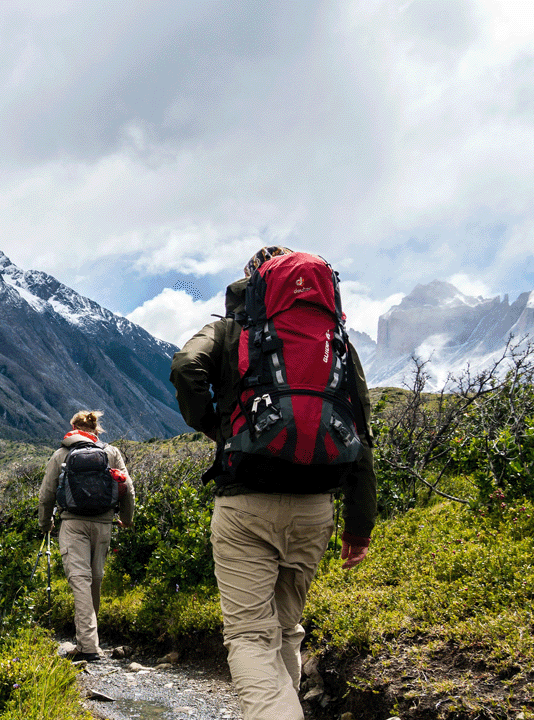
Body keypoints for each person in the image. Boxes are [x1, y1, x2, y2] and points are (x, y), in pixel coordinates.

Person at [169, 246, 377, 720]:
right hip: (316, 508)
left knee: (248, 635)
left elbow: (185, 368)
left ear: (254, 282)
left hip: (246, 504)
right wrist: (359, 526)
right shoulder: (336, 340)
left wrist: (218, 427)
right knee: (286, 627)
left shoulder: (230, 329)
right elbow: (360, 433)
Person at [38, 410, 135, 662]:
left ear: (72, 428)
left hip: (73, 524)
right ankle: (90, 640)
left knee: (80, 580)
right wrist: (126, 518)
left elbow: (46, 494)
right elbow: (129, 488)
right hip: (103, 524)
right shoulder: (110, 452)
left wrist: (46, 523)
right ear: (96, 430)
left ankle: (88, 646)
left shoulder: (61, 454)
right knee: (95, 580)